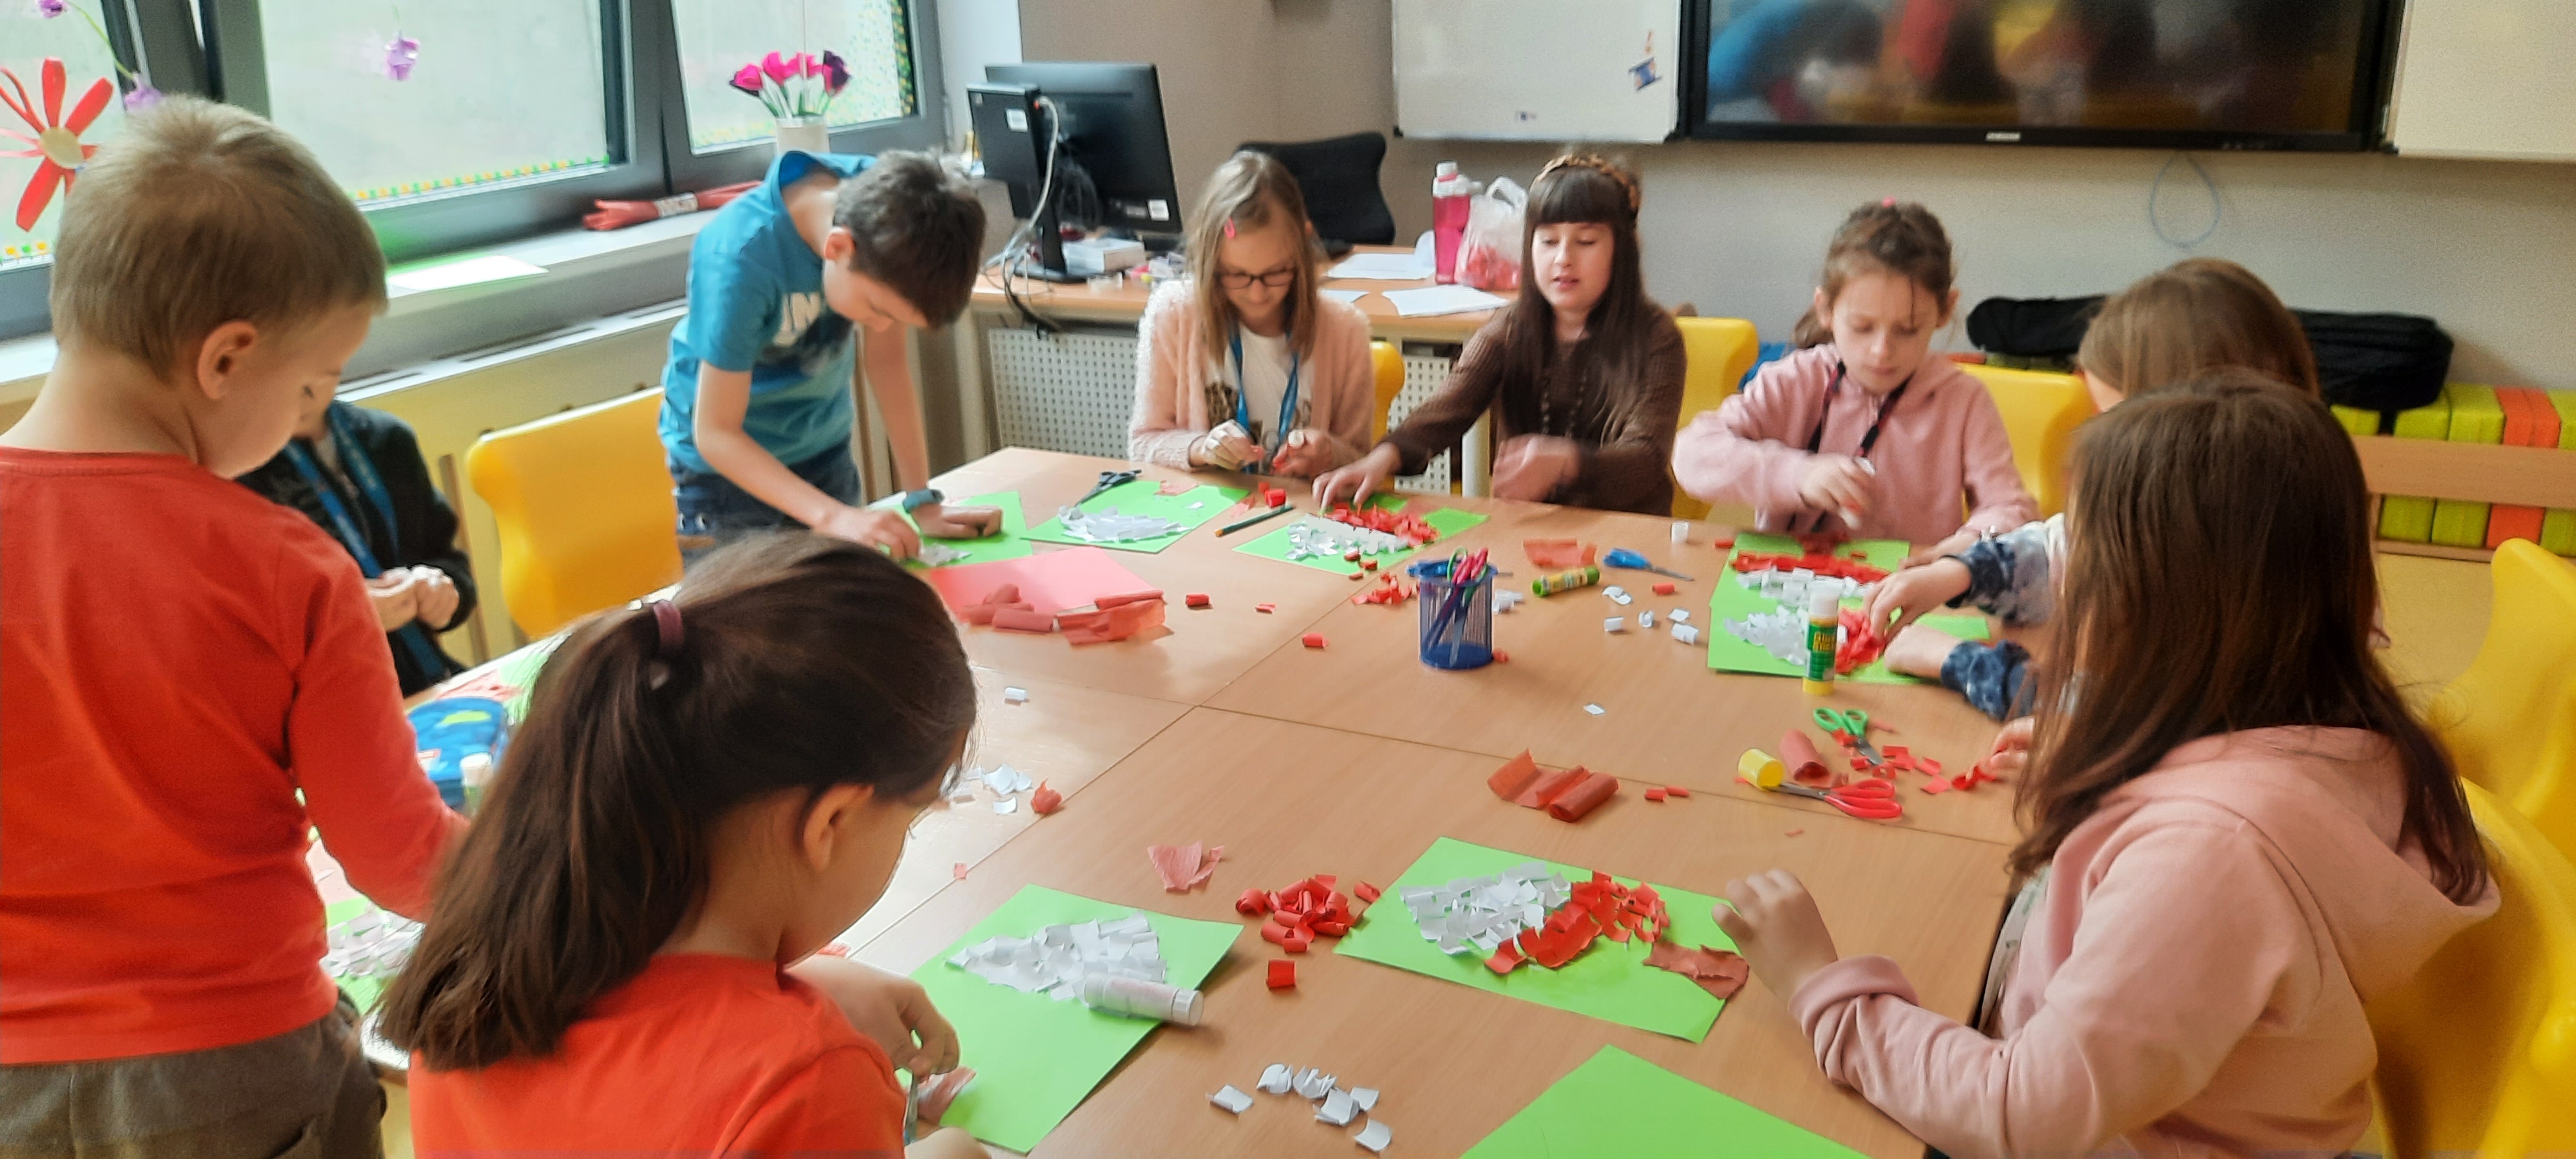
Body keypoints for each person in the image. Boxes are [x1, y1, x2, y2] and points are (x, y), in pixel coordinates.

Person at [1715, 371, 2495, 1156]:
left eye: (2080, 566)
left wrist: (1821, 989)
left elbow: (2021, 1115)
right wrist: (2133, 769)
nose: (2065, 595)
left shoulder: (2211, 858)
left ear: (2157, 608)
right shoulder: (2335, 732)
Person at [0, 97, 465, 1156]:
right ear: (225, 360)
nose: (309, 415)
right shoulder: (289, 569)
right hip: (231, 1073)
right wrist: (563, 873)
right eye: (311, 387)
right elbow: (400, 858)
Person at [383, 534, 984, 1157]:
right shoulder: (809, 1084)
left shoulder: (476, 973)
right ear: (831, 822)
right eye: (908, 822)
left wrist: (797, 987)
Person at [1865, 257, 2318, 722]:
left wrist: (1958, 662)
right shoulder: (2208, 507)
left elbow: (2118, 718)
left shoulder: (2241, 569)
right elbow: (2065, 549)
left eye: (2112, 416)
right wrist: (1961, 573)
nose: (2100, 436)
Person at [659, 147, 999, 565]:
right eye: (877, 311)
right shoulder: (739, 259)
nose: (880, 328)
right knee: (746, 605)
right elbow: (716, 433)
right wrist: (832, 516)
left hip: (823, 451)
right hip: (726, 482)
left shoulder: (894, 216)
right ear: (838, 247)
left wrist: (921, 500)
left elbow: (888, 363)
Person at [1313, 155, 1685, 514]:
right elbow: (1444, 413)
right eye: (1548, 241)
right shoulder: (1510, 329)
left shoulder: (1657, 338)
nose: (1563, 258)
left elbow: (1646, 459)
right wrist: (1380, 459)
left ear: (1622, 251)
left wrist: (1568, 462)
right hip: (1529, 526)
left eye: (1586, 242)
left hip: (1629, 533)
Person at [1671, 199, 2036, 545]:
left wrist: (1968, 547)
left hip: (1914, 583)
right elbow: (1692, 455)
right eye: (1862, 327)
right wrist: (1798, 474)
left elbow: (2011, 510)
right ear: (1825, 309)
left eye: (1908, 329)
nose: (1882, 351)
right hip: (1794, 580)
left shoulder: (1963, 401)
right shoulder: (1796, 380)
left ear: (1945, 310)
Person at [1130, 151, 1374, 478]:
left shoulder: (1345, 330)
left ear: (1301, 250)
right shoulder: (1174, 315)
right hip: (1209, 507)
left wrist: (1331, 454)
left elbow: (1362, 460)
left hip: (1302, 508)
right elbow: (1143, 443)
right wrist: (1200, 448)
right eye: (1236, 275)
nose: (1257, 294)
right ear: (1210, 260)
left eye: (1275, 273)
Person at [238, 394, 476, 697]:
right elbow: (247, 638)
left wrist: (442, 592)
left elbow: (448, 560)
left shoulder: (388, 438)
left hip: (425, 685)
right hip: (328, 704)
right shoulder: (235, 475)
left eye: (325, 374)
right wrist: (338, 618)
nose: (307, 390)